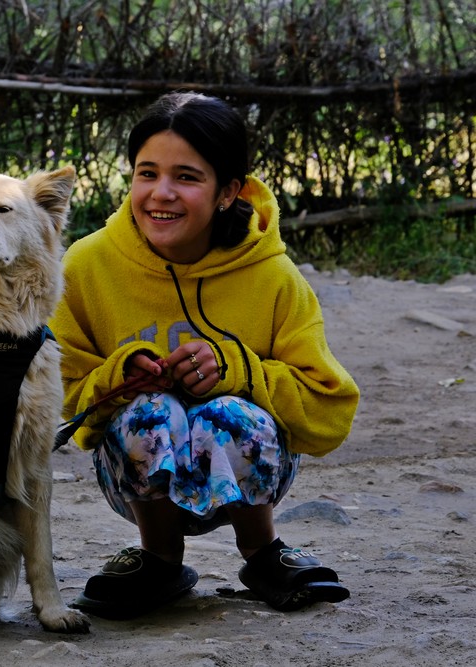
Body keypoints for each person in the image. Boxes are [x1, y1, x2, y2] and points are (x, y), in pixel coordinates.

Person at [49, 92, 360, 619]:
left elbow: (329, 411)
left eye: (187, 177)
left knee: (228, 415)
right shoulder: (86, 266)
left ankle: (262, 552)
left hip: (253, 472)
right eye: (146, 173)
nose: (160, 194)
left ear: (227, 191)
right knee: (150, 414)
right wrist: (118, 376)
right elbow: (61, 391)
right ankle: (159, 557)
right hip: (134, 479)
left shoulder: (273, 277)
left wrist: (237, 371)